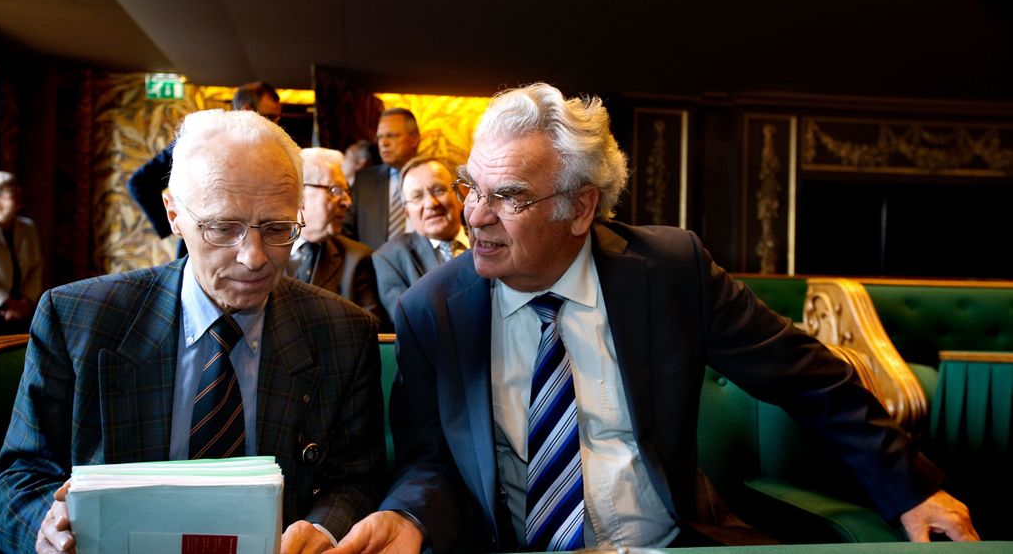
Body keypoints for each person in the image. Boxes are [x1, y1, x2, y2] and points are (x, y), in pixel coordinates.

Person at [336, 83, 977, 554]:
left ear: (581, 208)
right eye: (473, 185)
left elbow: (806, 377)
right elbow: (427, 460)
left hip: (669, 544)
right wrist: (411, 518)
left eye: (508, 197)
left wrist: (909, 489)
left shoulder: (672, 271)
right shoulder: (433, 310)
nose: (475, 214)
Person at [0, 110, 385, 554]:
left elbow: (357, 479)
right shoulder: (78, 320)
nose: (254, 258)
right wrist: (44, 528)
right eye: (223, 228)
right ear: (174, 214)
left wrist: (323, 528)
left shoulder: (343, 333)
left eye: (277, 229)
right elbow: (19, 478)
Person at [126, 81, 282, 258]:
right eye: (270, 118)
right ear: (247, 109)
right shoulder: (203, 138)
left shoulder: (271, 150)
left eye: (277, 118)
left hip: (254, 247)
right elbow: (140, 182)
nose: (276, 125)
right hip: (204, 249)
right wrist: (178, 223)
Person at [288, 147, 384, 321]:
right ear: (299, 195)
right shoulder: (263, 250)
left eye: (347, 192)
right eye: (335, 190)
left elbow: (370, 328)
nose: (347, 202)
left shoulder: (357, 259)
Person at [372, 156, 466, 321]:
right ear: (407, 212)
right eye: (417, 197)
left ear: (459, 196)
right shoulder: (390, 259)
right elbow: (410, 322)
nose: (430, 203)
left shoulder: (492, 241)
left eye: (438, 190)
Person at [342, 109, 421, 250]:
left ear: (414, 139)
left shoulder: (435, 178)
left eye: (392, 136)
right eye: (379, 137)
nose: (383, 143)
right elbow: (346, 232)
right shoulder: (364, 181)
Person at [0, 171, 42, 335]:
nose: (19, 194)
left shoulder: (28, 227)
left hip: (24, 308)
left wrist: (25, 303)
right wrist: (9, 305)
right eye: (12, 192)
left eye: (17, 189)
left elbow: (36, 267)